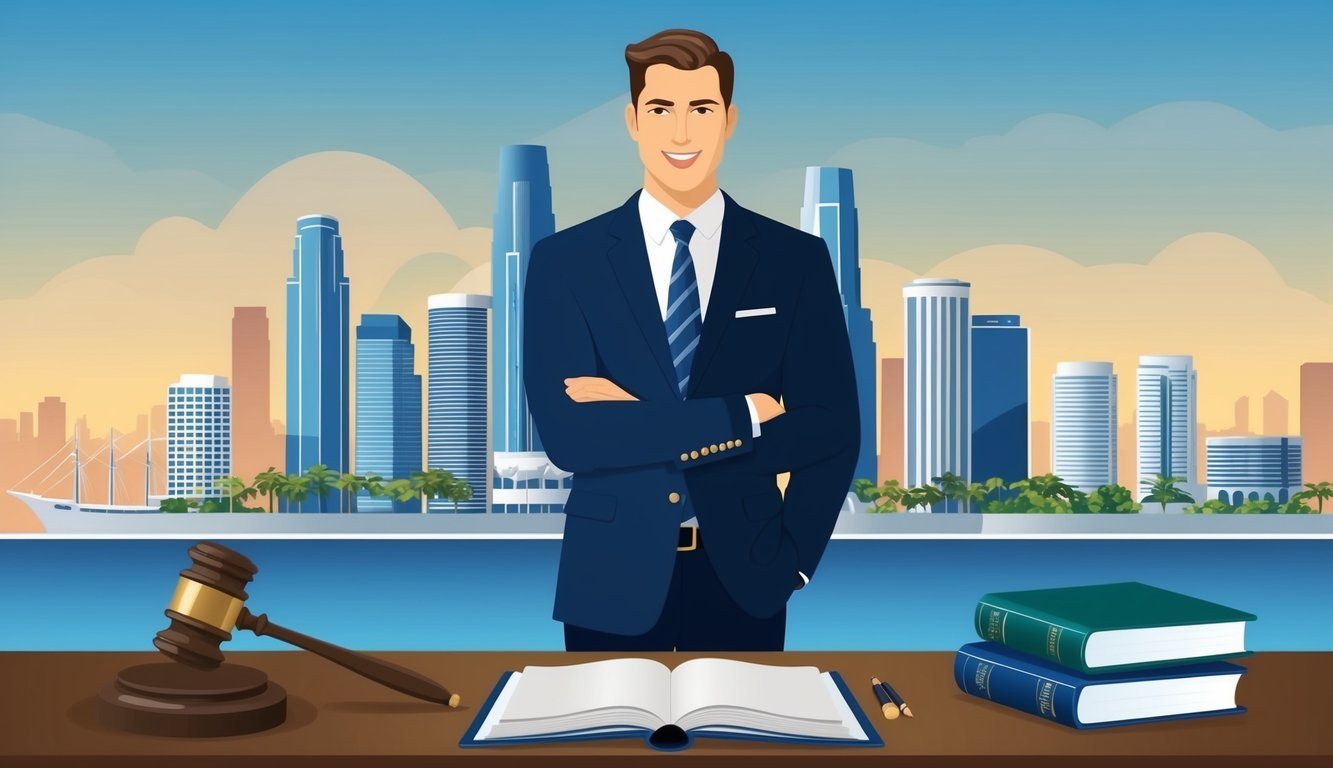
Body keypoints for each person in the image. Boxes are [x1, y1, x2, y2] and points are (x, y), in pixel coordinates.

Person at [523, 28, 858, 651]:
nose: (681, 133)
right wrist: (742, 415)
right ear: (632, 121)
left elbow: (831, 430)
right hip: (609, 579)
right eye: (661, 109)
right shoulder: (564, 262)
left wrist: (796, 564)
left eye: (701, 109)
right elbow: (570, 437)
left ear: (729, 120)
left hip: (750, 576)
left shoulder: (795, 260)